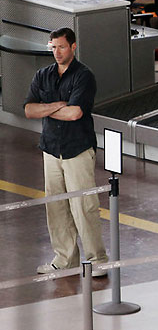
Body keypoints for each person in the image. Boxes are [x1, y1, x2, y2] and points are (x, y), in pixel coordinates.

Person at [24, 27, 108, 276]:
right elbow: (29, 110)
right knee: (56, 207)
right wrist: (57, 105)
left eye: (61, 47)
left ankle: (97, 260)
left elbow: (75, 113)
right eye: (53, 47)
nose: (57, 52)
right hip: (50, 149)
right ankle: (64, 259)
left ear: (73, 47)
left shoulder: (84, 76)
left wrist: (46, 108)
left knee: (84, 207)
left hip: (77, 150)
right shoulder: (43, 75)